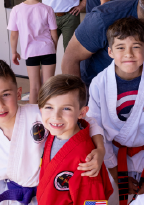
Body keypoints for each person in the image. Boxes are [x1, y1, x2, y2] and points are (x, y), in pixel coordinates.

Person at [0, 56, 106, 205]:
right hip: (16, 199)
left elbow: (87, 120)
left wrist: (100, 149)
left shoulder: (41, 113)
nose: (0, 105)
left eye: (5, 94)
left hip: (52, 193)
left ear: (18, 93)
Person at [86, 18, 144, 204]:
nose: (129, 54)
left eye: (136, 46)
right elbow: (96, 127)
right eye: (120, 47)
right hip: (112, 155)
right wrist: (117, 175)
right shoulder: (99, 83)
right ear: (110, 51)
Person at [37, 75, 116, 205]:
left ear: (82, 112)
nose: (55, 116)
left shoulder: (86, 159)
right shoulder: (52, 133)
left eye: (66, 108)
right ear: (40, 110)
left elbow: (92, 199)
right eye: (49, 107)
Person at [10, 0, 60, 101]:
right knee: (48, 87)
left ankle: (33, 118)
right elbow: (54, 34)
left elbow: (14, 35)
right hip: (48, 49)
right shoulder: (47, 9)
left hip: (30, 51)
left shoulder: (16, 10)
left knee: (34, 88)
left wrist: (14, 52)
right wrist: (53, 49)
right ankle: (48, 116)